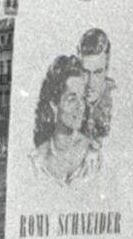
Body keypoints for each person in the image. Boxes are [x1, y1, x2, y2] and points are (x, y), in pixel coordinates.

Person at [28, 55, 102, 187]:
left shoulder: (93, 156)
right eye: (71, 99)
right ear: (54, 105)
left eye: (82, 98)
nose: (80, 107)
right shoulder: (37, 159)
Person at [78, 28, 114, 140]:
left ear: (106, 68)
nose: (90, 83)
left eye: (98, 72)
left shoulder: (117, 99)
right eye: (85, 72)